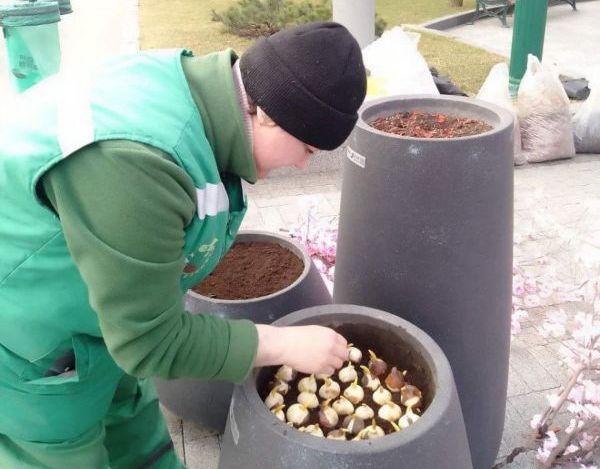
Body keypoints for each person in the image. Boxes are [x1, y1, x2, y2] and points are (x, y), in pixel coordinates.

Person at [0, 21, 367, 468]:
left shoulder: (198, 94)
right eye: (308, 149)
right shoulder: (136, 164)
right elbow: (147, 344)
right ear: (269, 113)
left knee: (139, 440)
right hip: (29, 346)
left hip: (99, 322)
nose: (303, 165)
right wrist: (282, 344)